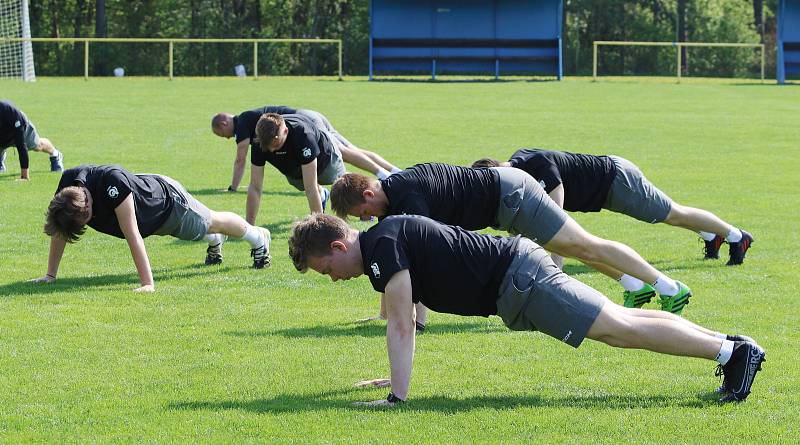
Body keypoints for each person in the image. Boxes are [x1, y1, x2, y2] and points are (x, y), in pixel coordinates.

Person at [288, 213, 765, 406]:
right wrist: (392, 379)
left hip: (519, 281)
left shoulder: (382, 247)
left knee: (617, 328)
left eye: (324, 267)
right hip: (519, 273)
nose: (332, 277)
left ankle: (731, 353)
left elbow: (401, 323)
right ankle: (730, 346)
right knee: (623, 320)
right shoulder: (384, 237)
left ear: (336, 244)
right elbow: (404, 319)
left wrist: (397, 397)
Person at [330, 163, 692, 313]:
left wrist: (412, 317)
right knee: (573, 245)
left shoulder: (407, 197)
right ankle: (634, 284)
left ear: (366, 194)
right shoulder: (395, 192)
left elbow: (424, 255)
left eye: (366, 213)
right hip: (506, 202)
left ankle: (668, 286)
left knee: (583, 243)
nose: (370, 220)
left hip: (512, 196)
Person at [472, 149, 753, 268]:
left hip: (617, 181)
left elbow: (555, 212)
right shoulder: (519, 168)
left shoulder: (531, 163)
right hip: (607, 189)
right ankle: (711, 236)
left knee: (671, 213)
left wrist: (555, 267)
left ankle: (736, 236)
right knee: (668, 217)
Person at [31, 164, 271, 292]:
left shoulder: (111, 184)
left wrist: (147, 283)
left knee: (211, 221)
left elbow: (133, 235)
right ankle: (214, 240)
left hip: (169, 205)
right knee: (203, 231)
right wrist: (51, 275)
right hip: (150, 209)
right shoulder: (68, 187)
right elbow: (59, 231)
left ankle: (257, 237)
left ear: (89, 208)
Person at [211, 107, 401, 218]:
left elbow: (310, 187)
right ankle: (382, 173)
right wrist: (249, 227)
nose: (271, 151)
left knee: (344, 180)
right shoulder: (261, 141)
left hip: (317, 136)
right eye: (268, 147)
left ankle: (383, 178)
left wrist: (319, 224)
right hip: (295, 157)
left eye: (275, 145)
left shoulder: (303, 134)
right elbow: (255, 187)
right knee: (343, 157)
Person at [0, 100, 64, 179]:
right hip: (3, 132)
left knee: (38, 145)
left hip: (20, 128)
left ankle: (55, 154)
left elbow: (22, 146)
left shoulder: (10, 112)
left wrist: (24, 176)